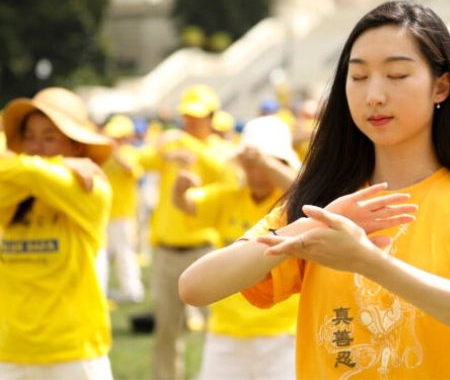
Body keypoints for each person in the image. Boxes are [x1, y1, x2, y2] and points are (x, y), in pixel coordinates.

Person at [180, 1, 450, 379]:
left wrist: (370, 263)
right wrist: (305, 230)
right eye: (358, 77)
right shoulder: (326, 207)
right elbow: (196, 287)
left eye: (396, 75)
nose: (373, 94)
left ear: (441, 86)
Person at [174, 116, 301, 380]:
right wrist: (179, 189)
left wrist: (264, 159)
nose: (254, 173)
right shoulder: (229, 196)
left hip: (283, 333)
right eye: (248, 166)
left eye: (261, 165)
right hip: (226, 332)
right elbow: (187, 205)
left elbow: (310, 196)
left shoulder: (292, 204)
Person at [0, 87, 114, 379]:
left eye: (50, 137)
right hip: (12, 351)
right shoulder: (12, 193)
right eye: (30, 136)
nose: (37, 147)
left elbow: (35, 174)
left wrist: (52, 168)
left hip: (74, 354)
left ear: (77, 146)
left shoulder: (91, 188)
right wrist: (57, 162)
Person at [141, 84, 227, 380]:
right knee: (166, 330)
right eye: (187, 116)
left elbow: (225, 170)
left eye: (197, 117)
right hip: (166, 250)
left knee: (218, 328)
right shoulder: (172, 147)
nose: (190, 123)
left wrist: (188, 150)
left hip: (204, 249)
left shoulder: (217, 150)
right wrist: (165, 149)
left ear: (212, 118)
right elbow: (141, 160)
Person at [101, 114, 145, 303]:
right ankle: (101, 292)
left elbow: (133, 171)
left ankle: (132, 291)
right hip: (104, 213)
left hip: (123, 214)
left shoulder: (130, 153)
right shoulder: (105, 155)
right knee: (101, 255)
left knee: (124, 253)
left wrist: (114, 151)